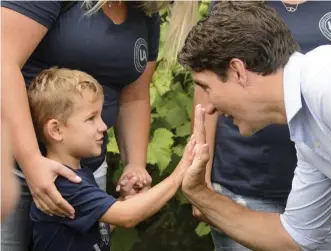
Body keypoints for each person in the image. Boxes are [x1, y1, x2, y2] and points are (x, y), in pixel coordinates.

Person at [178, 2, 331, 251]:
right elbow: (294, 238)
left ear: (238, 71)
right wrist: (199, 193)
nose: (209, 108)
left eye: (207, 87)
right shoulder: (310, 131)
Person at [1, 1, 197, 250]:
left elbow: (135, 94)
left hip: (84, 174)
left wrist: (135, 166)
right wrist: (31, 162)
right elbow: (3, 62)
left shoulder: (144, 12)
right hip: (11, 168)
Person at [28, 67, 196, 251]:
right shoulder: (63, 184)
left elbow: (98, 227)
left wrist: (125, 200)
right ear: (56, 130)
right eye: (91, 118)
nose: (103, 126)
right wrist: (179, 173)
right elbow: (128, 217)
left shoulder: (79, 174)